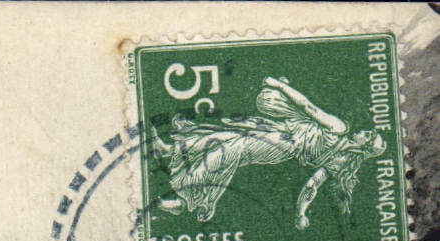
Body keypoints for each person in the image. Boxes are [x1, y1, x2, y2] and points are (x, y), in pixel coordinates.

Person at [149, 76, 386, 230]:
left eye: (367, 136)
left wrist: (279, 85)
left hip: (282, 144)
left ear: (363, 147)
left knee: (231, 148)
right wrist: (300, 214)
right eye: (367, 132)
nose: (363, 132)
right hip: (278, 131)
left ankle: (185, 199)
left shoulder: (339, 131)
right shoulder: (339, 154)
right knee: (225, 134)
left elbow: (308, 107)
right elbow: (312, 185)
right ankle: (170, 150)